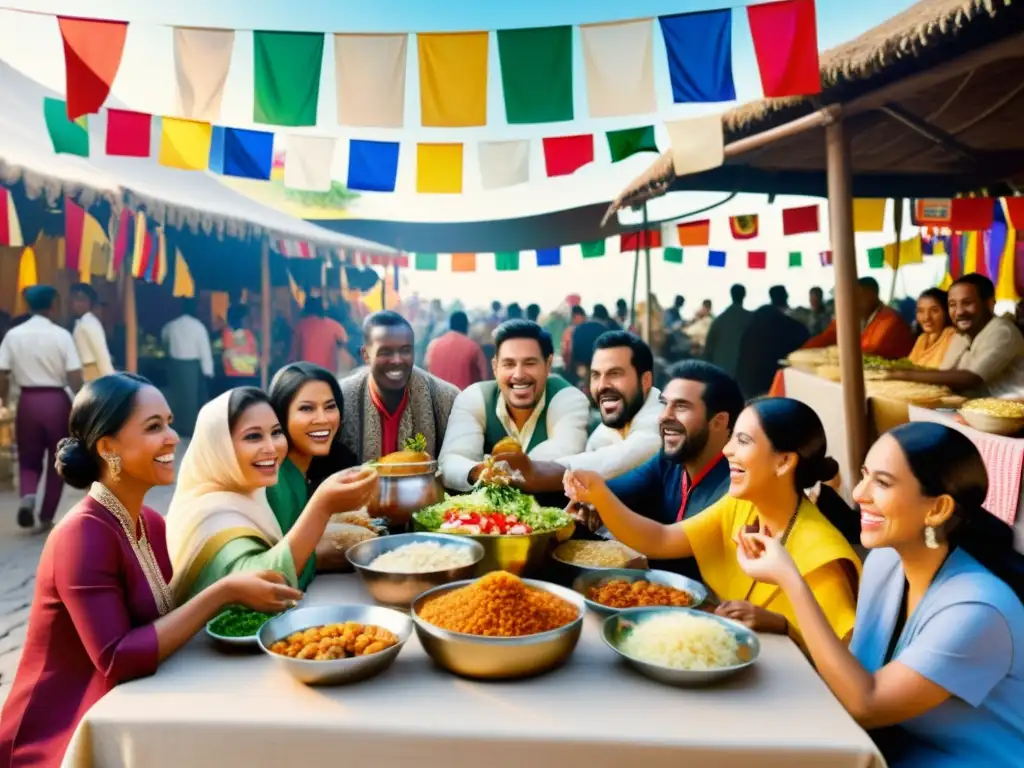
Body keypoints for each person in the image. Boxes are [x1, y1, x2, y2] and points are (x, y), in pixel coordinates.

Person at [0, 374, 300, 768]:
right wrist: (223, 591)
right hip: (62, 731)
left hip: (131, 705)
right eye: (154, 427)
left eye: (170, 423)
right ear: (108, 447)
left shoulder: (150, 523)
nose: (173, 438)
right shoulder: (82, 535)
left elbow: (156, 627)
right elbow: (117, 658)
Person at [736, 422, 1024, 767]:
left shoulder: (978, 611)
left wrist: (791, 580)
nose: (858, 493)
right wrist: (788, 629)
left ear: (938, 509)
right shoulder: (886, 562)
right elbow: (856, 673)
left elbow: (866, 704)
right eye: (864, 474)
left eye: (883, 482)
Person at [565, 397, 861, 639]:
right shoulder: (740, 504)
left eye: (743, 441)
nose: (727, 450)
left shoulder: (823, 557)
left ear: (784, 462)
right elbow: (661, 539)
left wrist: (784, 626)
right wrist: (599, 494)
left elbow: (843, 660)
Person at [165, 388, 378, 602]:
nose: (272, 448)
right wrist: (322, 506)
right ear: (219, 447)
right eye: (253, 436)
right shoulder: (210, 516)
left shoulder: (250, 493)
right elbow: (267, 588)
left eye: (276, 433)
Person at [573, 360, 743, 579]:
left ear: (719, 422)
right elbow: (613, 491)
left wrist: (600, 497)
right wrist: (590, 500)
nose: (664, 416)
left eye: (681, 406)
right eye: (665, 404)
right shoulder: (668, 460)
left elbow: (666, 543)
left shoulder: (736, 484)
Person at [439, 320, 590, 493]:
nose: (518, 375)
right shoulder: (476, 397)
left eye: (530, 363)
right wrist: (478, 471)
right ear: (495, 368)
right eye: (509, 364)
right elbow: (450, 462)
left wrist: (502, 470)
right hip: (488, 517)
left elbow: (566, 455)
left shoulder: (566, 396)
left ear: (548, 366)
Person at [267, 363, 359, 589]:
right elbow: (274, 572)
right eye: (306, 409)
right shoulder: (272, 478)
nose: (323, 419)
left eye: (330, 407)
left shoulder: (333, 462)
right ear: (280, 415)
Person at [0, 285, 83, 530]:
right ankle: (46, 515)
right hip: (57, 402)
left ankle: (28, 497)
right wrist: (81, 399)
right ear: (53, 306)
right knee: (59, 458)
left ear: (28, 306)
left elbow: (2, 372)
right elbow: (74, 375)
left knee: (28, 457)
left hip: (27, 402)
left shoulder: (14, 335)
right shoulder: (61, 335)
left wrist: (2, 399)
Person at [339, 311, 459, 462]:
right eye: (385, 352)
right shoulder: (341, 398)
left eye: (405, 351)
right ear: (366, 355)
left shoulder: (446, 399)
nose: (397, 360)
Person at [890, 274, 1024, 398]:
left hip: (1007, 416)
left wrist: (905, 375)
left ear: (989, 304)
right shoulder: (962, 335)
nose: (959, 312)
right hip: (968, 409)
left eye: (967, 303)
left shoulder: (1002, 331)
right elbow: (946, 373)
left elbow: (970, 379)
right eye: (953, 305)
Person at [558, 331, 661, 479]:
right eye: (596, 375)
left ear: (645, 380)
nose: (601, 386)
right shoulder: (609, 428)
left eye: (615, 374)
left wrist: (537, 471)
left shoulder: (660, 422)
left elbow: (613, 460)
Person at [803, 277, 915, 360]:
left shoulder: (888, 319)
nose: (853, 302)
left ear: (872, 295)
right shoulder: (856, 317)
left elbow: (871, 352)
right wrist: (802, 352)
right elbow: (829, 336)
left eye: (858, 296)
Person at [736, 286, 810, 398]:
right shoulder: (789, 326)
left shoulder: (754, 323)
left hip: (747, 385)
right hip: (770, 385)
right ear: (786, 297)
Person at [160, 298, 214, 438]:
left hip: (174, 365)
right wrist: (208, 371)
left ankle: (174, 428)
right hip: (191, 366)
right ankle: (189, 431)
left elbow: (164, 343)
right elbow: (204, 350)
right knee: (190, 399)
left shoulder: (170, 326)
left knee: (175, 397)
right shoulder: (198, 327)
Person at [425, 310, 490, 391]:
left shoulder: (434, 345)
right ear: (466, 326)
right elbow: (484, 379)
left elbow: (427, 369)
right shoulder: (473, 348)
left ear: (450, 325)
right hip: (463, 399)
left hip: (437, 398)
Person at [69, 282, 114, 382]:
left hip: (92, 373)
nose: (76, 304)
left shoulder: (90, 323)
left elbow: (101, 354)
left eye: (81, 300)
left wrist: (112, 381)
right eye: (74, 300)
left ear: (90, 302)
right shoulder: (81, 322)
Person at [703, 285, 751, 378]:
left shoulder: (719, 320)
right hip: (744, 371)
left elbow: (709, 348)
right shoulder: (751, 319)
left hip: (721, 369)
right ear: (744, 295)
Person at [291, 297, 348, 374]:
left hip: (305, 372)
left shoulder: (300, 326)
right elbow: (344, 344)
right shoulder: (335, 326)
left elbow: (293, 353)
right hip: (328, 373)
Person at [907, 288, 956, 368]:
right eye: (921, 311)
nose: (926, 317)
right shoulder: (922, 339)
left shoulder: (952, 336)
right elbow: (907, 367)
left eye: (934, 311)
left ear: (946, 312)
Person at [219, 303, 260, 389]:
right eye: (248, 317)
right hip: (245, 378)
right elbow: (255, 359)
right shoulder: (248, 335)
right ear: (242, 319)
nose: (250, 320)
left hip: (231, 378)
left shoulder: (226, 334)